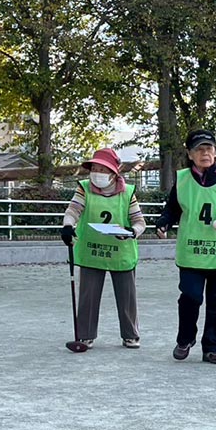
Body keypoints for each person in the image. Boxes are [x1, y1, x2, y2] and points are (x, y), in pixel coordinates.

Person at [155, 129, 216, 365]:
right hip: (192, 252)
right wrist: (164, 222)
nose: (205, 153)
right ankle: (185, 339)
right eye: (199, 149)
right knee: (190, 296)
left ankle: (212, 348)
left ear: (215, 152)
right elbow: (173, 208)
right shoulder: (183, 179)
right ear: (189, 153)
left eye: (209, 148)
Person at [61, 148, 145, 349]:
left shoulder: (128, 193)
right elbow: (73, 210)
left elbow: (139, 221)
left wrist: (132, 231)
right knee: (88, 296)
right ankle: (85, 335)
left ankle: (130, 335)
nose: (97, 172)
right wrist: (67, 225)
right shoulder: (83, 188)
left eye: (102, 168)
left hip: (121, 250)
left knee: (127, 297)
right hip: (92, 250)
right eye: (94, 168)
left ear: (113, 172)